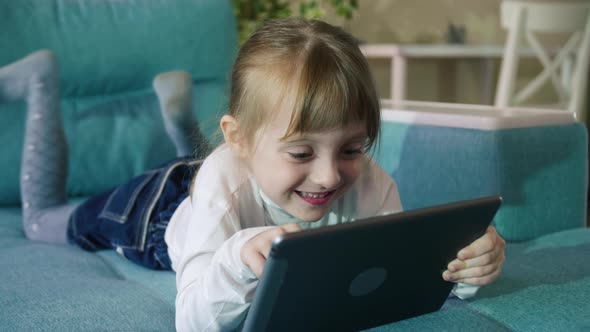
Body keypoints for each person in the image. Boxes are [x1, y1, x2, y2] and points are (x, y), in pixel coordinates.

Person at [1, 18, 505, 332]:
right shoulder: (226, 184)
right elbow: (194, 319)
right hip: (156, 214)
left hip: (226, 169)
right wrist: (239, 258)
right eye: (302, 151)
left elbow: (397, 274)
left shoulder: (366, 180)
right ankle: (39, 81)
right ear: (238, 138)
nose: (331, 176)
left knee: (212, 167)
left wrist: (464, 268)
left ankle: (183, 128)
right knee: (45, 222)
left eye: (352, 147)